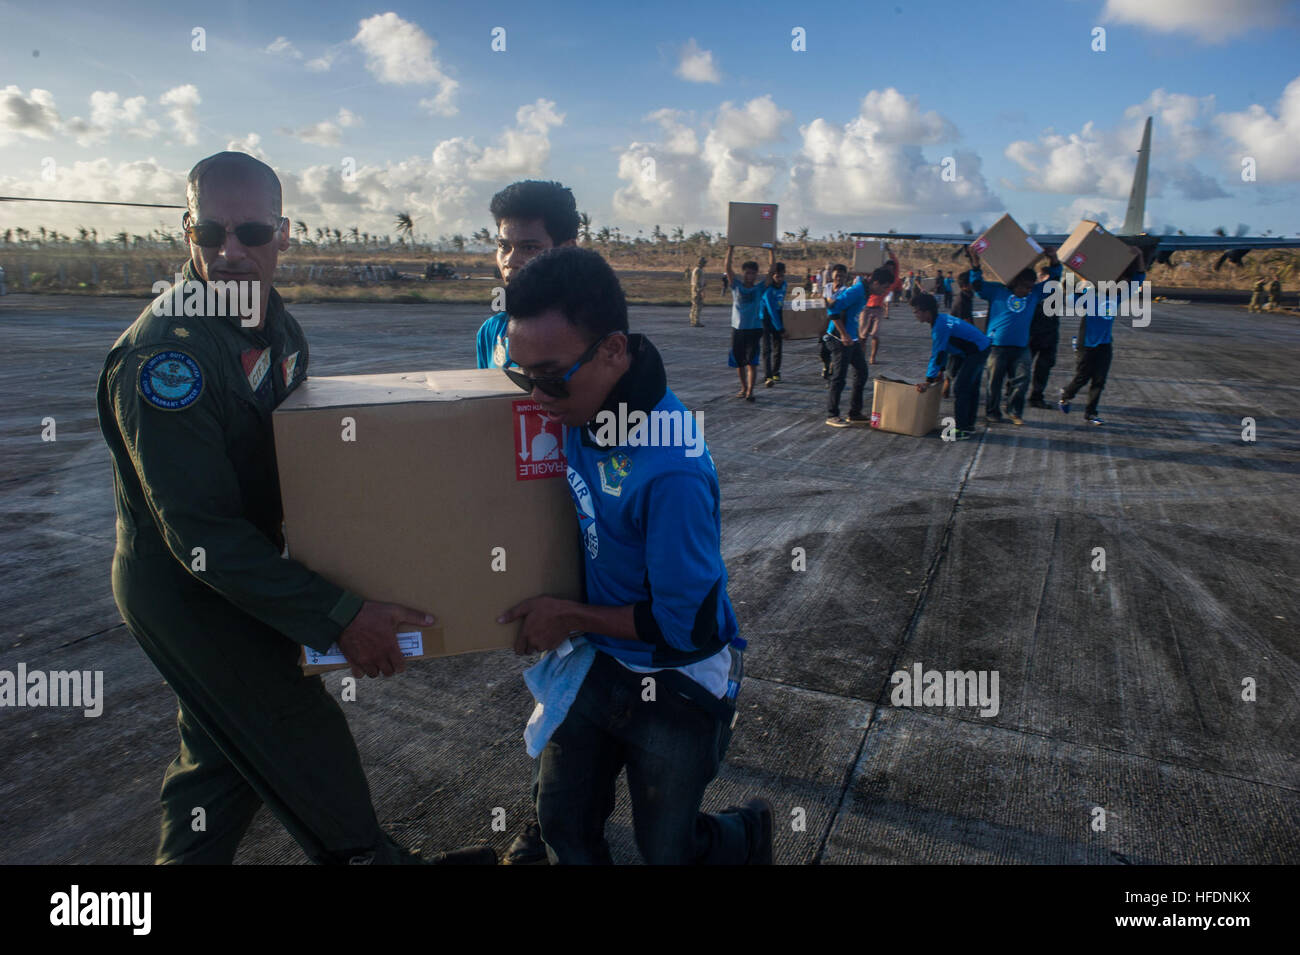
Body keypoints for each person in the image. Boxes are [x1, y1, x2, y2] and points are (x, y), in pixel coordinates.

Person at [96, 152, 494, 866]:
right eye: (210, 231)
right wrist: (339, 613)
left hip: (246, 578)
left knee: (223, 759)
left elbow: (306, 463)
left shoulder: (275, 329)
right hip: (194, 594)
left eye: (250, 231)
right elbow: (200, 536)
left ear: (283, 235)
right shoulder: (168, 357)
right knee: (305, 746)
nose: (230, 251)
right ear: (187, 232)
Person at [497, 246, 774, 865]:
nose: (535, 396)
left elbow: (685, 626)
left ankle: (745, 835)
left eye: (547, 377)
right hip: (598, 663)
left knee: (668, 851)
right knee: (562, 827)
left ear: (614, 350)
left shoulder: (668, 469)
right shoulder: (581, 404)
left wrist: (566, 615)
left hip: (675, 679)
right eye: (523, 376)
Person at [475, 180, 579, 370]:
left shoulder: (594, 335)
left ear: (567, 251)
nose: (510, 261)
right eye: (503, 246)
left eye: (529, 248)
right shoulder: (491, 332)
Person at [967, 245, 1061, 425]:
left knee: (1022, 381)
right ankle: (992, 412)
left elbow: (1054, 280)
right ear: (1014, 282)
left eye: (1029, 287)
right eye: (1024, 287)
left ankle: (1014, 412)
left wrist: (1053, 259)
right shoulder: (997, 291)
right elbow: (977, 285)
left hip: (1021, 347)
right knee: (994, 383)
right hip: (996, 346)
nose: (1027, 290)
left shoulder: (1034, 294)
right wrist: (976, 263)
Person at [1060, 248, 1144, 425]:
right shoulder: (1090, 296)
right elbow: (1067, 299)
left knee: (1099, 380)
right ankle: (1066, 395)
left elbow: (1140, 279)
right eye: (1122, 280)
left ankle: (1091, 413)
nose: (1125, 283)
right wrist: (1079, 282)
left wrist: (1139, 257)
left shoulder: (1118, 298)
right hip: (1087, 343)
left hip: (1105, 344)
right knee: (1082, 377)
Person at [912, 292, 989, 440]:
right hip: (974, 349)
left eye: (916, 311)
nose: (915, 314)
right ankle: (969, 425)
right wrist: (941, 370)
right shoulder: (940, 320)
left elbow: (938, 353)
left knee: (961, 387)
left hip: (976, 351)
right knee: (971, 387)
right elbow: (946, 347)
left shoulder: (940, 326)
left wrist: (928, 380)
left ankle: (962, 429)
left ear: (926, 312)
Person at [823, 263, 892, 427]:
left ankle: (854, 413)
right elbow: (832, 309)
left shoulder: (865, 290)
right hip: (839, 339)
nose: (885, 292)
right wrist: (845, 335)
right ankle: (832, 414)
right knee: (839, 377)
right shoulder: (857, 290)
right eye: (884, 288)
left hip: (851, 339)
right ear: (876, 283)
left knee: (862, 372)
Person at [724, 245, 776, 401]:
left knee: (751, 362)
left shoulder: (760, 288)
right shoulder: (736, 286)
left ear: (756, 275)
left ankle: (750, 391)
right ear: (743, 273)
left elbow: (772, 271)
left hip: (754, 329)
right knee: (739, 362)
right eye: (748, 273)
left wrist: (771, 251)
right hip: (738, 329)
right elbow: (727, 268)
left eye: (753, 273)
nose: (750, 276)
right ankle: (744, 387)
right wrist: (731, 248)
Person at [1026, 265, 1059, 409]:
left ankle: (1036, 397)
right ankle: (1011, 393)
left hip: (1049, 336)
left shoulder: (1055, 292)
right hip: (1032, 335)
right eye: (1042, 277)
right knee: (1022, 367)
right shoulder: (1032, 292)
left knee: (1043, 369)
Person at [862, 245, 901, 364]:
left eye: (891, 268)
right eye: (887, 267)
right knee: (862, 336)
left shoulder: (893, 279)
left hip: (878, 309)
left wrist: (889, 251)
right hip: (866, 308)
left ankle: (873, 357)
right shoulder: (877, 276)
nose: (890, 269)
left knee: (875, 335)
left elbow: (896, 263)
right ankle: (861, 357)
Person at [760, 261, 787, 386]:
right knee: (767, 348)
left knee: (778, 347)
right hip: (766, 319)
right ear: (772, 276)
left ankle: (776, 372)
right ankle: (768, 375)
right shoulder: (768, 290)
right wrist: (780, 327)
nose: (780, 279)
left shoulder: (784, 285)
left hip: (778, 317)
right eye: (777, 276)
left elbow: (781, 303)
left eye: (781, 276)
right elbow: (771, 310)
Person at [689, 256, 707, 327]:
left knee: (695, 306)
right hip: (697, 290)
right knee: (697, 306)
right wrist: (701, 291)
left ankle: (693, 321)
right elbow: (697, 283)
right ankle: (695, 321)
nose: (705, 264)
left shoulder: (699, 270)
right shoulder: (698, 270)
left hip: (697, 289)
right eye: (704, 262)